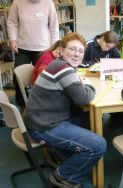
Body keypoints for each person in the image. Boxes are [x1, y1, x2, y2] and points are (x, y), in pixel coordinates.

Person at [23, 32, 106, 187]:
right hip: (42, 126)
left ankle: (63, 151)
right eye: (72, 49)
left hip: (44, 117)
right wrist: (88, 86)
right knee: (99, 145)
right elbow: (83, 98)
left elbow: (76, 96)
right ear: (61, 51)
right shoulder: (62, 68)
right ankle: (61, 176)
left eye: (81, 51)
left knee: (93, 119)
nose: (77, 54)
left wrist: (80, 87)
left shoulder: (60, 65)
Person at [7, 0, 59, 106]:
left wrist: (55, 46)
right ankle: (23, 106)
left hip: (43, 48)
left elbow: (54, 27)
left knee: (44, 78)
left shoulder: (48, 3)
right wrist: (13, 39)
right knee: (18, 78)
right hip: (22, 47)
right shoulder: (17, 2)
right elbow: (12, 22)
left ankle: (44, 104)